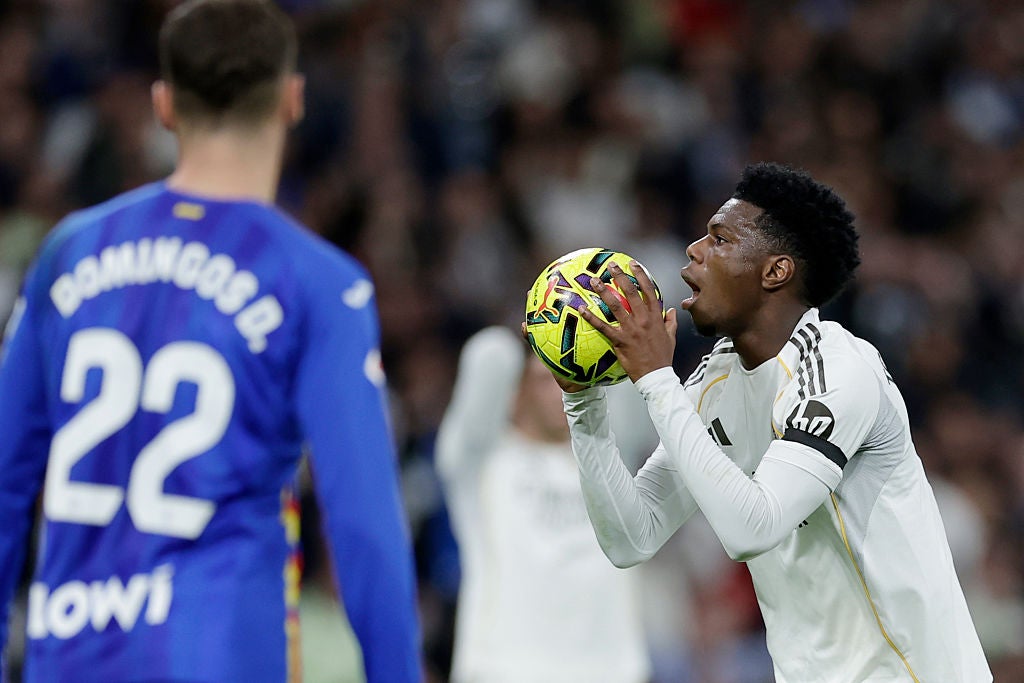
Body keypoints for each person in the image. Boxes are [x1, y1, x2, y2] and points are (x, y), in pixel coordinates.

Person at [0, 1, 422, 681]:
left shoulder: (70, 252)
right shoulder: (316, 280)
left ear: (165, 105)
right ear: (292, 100)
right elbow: (364, 525)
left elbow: (5, 481)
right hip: (217, 652)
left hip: (68, 653)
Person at [545, 162, 992, 682]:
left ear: (775, 272)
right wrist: (583, 403)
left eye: (719, 238)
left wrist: (655, 378)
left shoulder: (838, 369)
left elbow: (751, 528)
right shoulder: (716, 383)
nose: (694, 250)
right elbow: (631, 538)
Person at [436, 326, 650, 683]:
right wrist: (545, 321)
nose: (564, 391)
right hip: (503, 668)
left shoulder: (613, 457)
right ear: (514, 389)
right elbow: (489, 356)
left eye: (573, 376)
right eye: (547, 378)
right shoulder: (479, 461)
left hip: (609, 668)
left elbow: (630, 372)